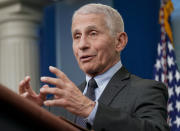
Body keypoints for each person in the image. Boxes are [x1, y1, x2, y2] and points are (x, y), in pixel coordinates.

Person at [19, 3, 169, 131]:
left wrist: (90, 110)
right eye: (77, 36)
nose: (82, 45)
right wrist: (30, 115)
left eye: (92, 33)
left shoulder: (147, 91)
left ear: (119, 42)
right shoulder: (58, 104)